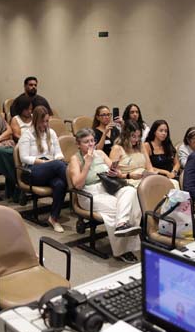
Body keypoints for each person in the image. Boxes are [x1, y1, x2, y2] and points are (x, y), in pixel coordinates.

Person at [69, 128, 142, 263]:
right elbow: (77, 185)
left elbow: (116, 171)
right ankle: (123, 250)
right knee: (120, 208)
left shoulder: (101, 153)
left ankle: (121, 225)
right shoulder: (75, 159)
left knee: (131, 192)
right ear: (78, 144)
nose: (91, 144)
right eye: (86, 142)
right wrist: (87, 164)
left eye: (92, 141)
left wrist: (115, 172)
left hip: (107, 187)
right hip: (89, 193)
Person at [18, 106, 67, 232]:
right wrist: (47, 162)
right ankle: (77, 186)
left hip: (50, 169)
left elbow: (58, 153)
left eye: (47, 121)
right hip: (32, 171)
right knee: (58, 165)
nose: (45, 124)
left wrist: (57, 158)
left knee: (60, 184)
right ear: (35, 120)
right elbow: (24, 158)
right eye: (42, 121)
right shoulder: (27, 134)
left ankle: (53, 218)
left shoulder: (51, 133)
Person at [109, 120, 157, 188]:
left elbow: (149, 167)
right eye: (133, 136)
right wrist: (129, 175)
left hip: (145, 179)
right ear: (125, 135)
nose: (137, 139)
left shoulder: (140, 145)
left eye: (138, 136)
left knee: (168, 183)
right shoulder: (117, 149)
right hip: (129, 181)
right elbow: (113, 173)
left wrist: (152, 176)